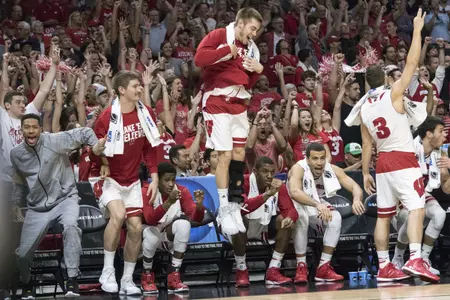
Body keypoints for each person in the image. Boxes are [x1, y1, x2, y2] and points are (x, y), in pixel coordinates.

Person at [348, 9, 439, 282]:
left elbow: (366, 144)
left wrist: (365, 173)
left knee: (384, 216)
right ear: (386, 80)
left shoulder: (363, 107)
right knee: (416, 207)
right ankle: (415, 258)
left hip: (382, 163)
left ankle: (385, 266)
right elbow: (411, 62)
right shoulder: (395, 92)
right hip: (402, 158)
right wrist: (417, 30)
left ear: (367, 82)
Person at [10, 114, 106, 299]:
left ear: (40, 129)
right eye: (27, 127)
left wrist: (96, 148)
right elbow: (19, 181)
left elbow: (84, 131)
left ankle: (72, 279)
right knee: (22, 256)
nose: (31, 131)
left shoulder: (54, 141)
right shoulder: (16, 154)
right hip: (37, 207)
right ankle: (27, 281)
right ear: (21, 130)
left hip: (65, 199)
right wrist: (15, 203)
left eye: (34, 127)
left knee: (71, 228)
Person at [194, 7, 264, 236]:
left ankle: (234, 203)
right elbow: (199, 59)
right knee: (223, 154)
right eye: (252, 28)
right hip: (217, 100)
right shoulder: (221, 35)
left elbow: (248, 83)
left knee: (239, 154)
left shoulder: (252, 48)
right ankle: (224, 206)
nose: (254, 33)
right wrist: (225, 50)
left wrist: (258, 71)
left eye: (257, 30)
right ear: (241, 23)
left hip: (239, 103)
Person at [93, 70, 160, 295]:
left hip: (132, 180)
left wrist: (154, 176)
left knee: (135, 227)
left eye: (140, 85)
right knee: (119, 215)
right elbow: (94, 149)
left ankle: (128, 280)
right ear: (122, 90)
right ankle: (107, 271)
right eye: (135, 86)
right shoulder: (106, 117)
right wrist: (100, 156)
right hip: (108, 178)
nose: (140, 89)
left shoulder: (145, 113)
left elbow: (150, 147)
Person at [288, 143, 365, 283]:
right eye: (315, 158)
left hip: (316, 202)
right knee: (302, 217)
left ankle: (323, 267)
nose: (319, 162)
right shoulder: (298, 168)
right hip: (295, 204)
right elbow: (294, 192)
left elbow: (354, 186)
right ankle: (301, 266)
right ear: (307, 159)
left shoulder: (331, 169)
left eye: (322, 158)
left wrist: (356, 200)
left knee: (335, 217)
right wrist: (318, 205)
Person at [221, 156, 298, 287]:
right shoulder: (242, 182)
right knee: (239, 220)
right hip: (235, 227)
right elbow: (241, 209)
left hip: (262, 226)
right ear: (255, 172)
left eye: (272, 172)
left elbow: (292, 210)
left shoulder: (278, 185)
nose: (269, 176)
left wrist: (290, 218)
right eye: (265, 172)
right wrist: (267, 195)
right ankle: (241, 269)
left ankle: (273, 270)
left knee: (284, 220)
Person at [392, 117, 449, 276]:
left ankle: (423, 259)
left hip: (421, 194)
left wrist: (446, 171)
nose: (445, 135)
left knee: (439, 214)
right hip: (400, 194)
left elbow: (446, 189)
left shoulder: (440, 153)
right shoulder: (409, 146)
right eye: (441, 131)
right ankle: (397, 258)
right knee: (414, 217)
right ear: (429, 134)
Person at [140, 162, 205, 294]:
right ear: (157, 180)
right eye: (166, 180)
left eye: (173, 180)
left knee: (184, 224)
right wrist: (169, 202)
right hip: (146, 236)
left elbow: (196, 219)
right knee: (153, 233)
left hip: (166, 237)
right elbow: (150, 219)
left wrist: (199, 207)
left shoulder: (182, 191)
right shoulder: (147, 191)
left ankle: (174, 276)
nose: (170, 184)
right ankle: (146, 276)